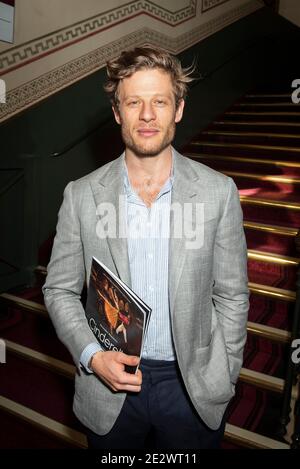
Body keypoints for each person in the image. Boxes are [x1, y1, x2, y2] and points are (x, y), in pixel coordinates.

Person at [43, 46, 249, 449]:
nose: (148, 114)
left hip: (191, 388)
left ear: (179, 109)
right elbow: (58, 290)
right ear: (118, 112)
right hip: (109, 384)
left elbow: (232, 295)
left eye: (160, 101)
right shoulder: (82, 195)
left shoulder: (218, 192)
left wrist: (225, 371)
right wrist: (91, 356)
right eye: (134, 102)